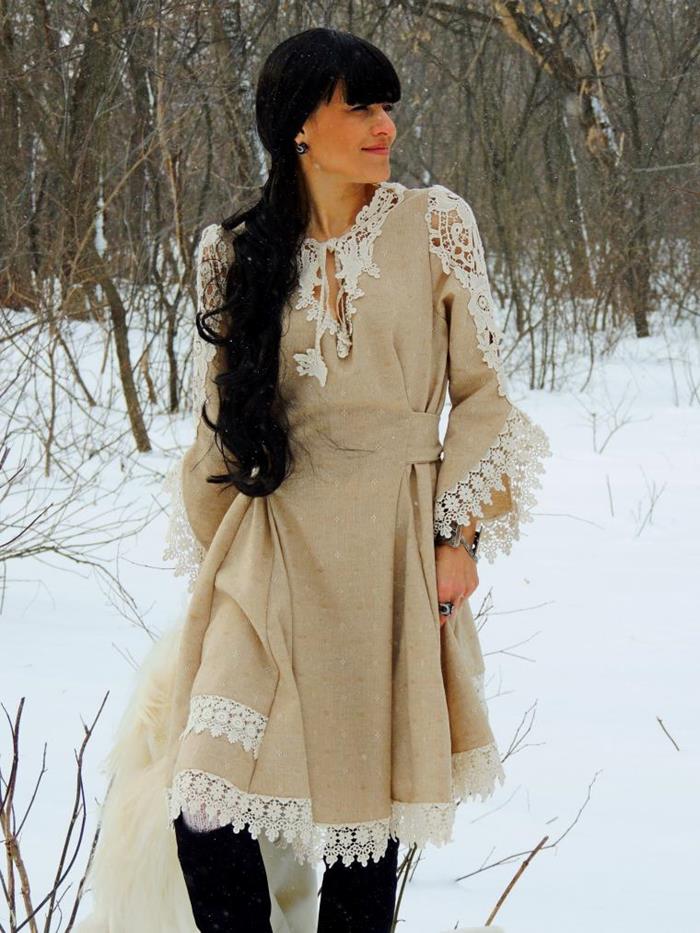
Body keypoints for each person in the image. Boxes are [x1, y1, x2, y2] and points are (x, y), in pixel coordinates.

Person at [157, 26, 551, 933]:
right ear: (299, 124)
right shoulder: (231, 249)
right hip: (271, 547)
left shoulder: (435, 224)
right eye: (362, 107)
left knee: (361, 831)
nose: (386, 127)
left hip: (394, 543)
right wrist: (212, 563)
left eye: (389, 107)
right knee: (203, 800)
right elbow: (216, 424)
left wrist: (458, 536)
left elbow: (484, 394)